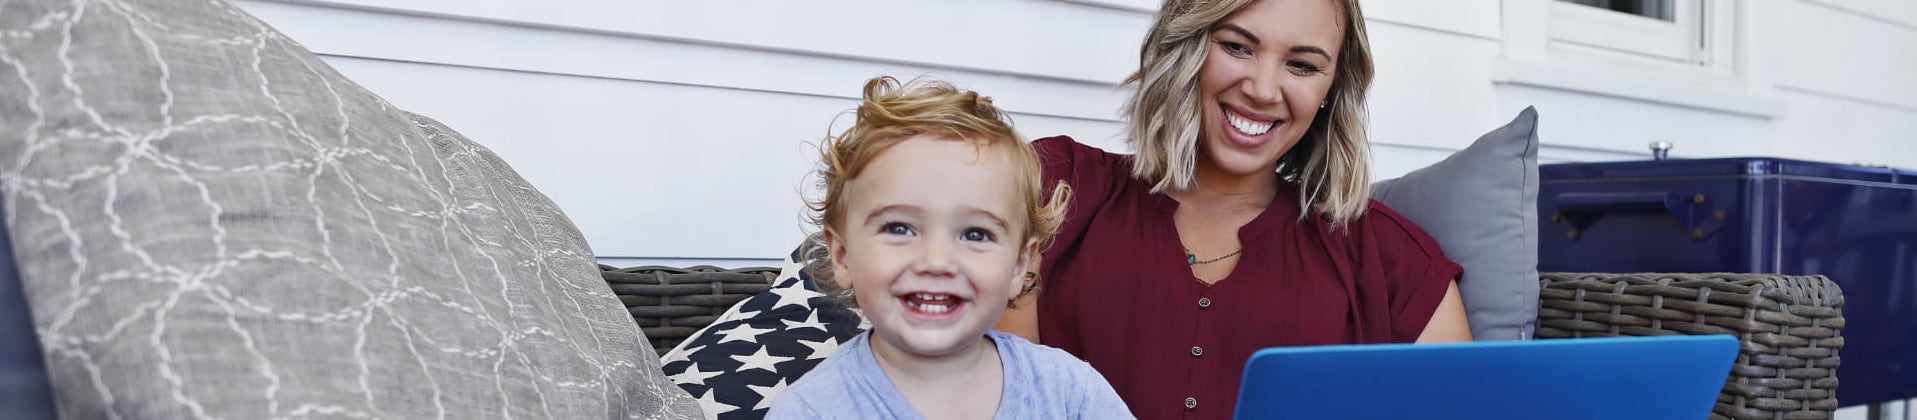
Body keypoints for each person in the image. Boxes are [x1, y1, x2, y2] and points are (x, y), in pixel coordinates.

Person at [995, 0, 1473, 418]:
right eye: (1237, 46)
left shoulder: (1391, 259)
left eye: (1303, 65)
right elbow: (1000, 396)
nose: (1263, 89)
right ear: (1184, 47)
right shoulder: (1057, 189)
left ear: (1332, 89)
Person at [767, 76, 1133, 419]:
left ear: (1020, 266)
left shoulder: (1070, 393)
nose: (937, 261)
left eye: (975, 234)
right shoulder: (812, 410)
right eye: (899, 228)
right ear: (842, 256)